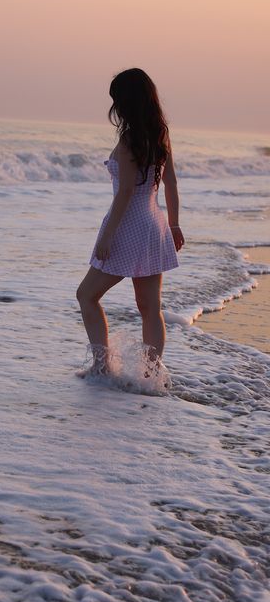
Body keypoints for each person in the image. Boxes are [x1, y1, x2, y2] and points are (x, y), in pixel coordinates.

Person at [76, 68, 184, 374]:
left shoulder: (128, 140)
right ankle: (150, 374)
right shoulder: (160, 133)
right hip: (155, 225)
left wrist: (107, 235)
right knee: (150, 309)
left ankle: (101, 367)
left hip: (128, 227)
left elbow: (124, 192)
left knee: (86, 295)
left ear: (124, 103)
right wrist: (174, 225)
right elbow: (171, 183)